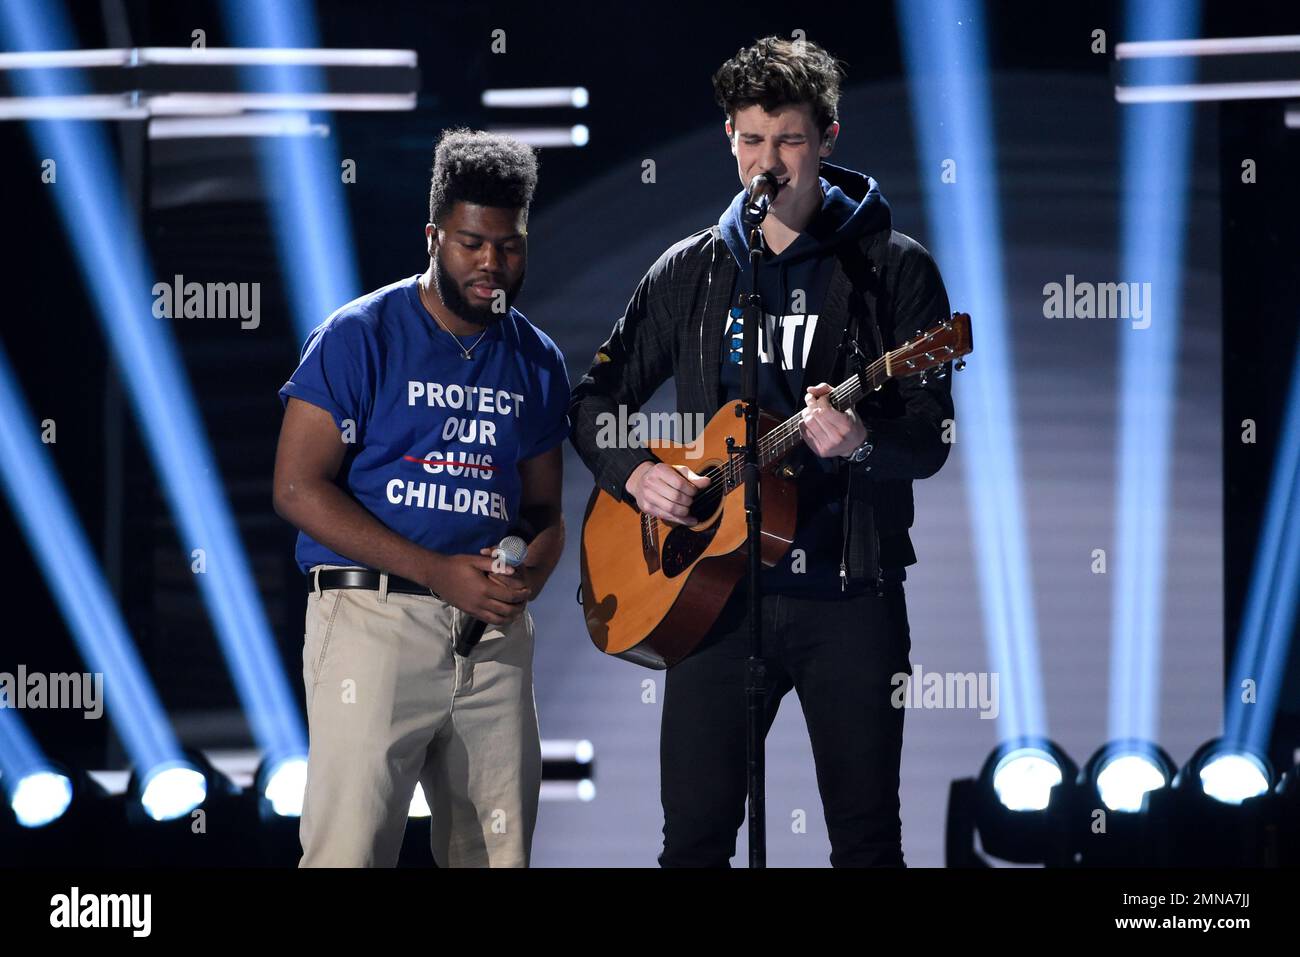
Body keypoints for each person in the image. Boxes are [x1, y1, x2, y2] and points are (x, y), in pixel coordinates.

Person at [569, 37, 955, 867]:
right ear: (729, 141)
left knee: (864, 839)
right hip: (713, 599)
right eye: (750, 139)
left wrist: (861, 445)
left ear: (827, 138)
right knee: (696, 841)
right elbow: (592, 403)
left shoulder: (892, 269)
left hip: (848, 594)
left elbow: (929, 439)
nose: (767, 161)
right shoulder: (693, 272)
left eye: (787, 139)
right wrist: (636, 473)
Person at [273, 129, 569, 867]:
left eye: (509, 246)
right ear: (433, 235)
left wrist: (530, 570)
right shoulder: (357, 335)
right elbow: (295, 487)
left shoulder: (535, 359)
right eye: (472, 243)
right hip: (373, 621)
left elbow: (545, 513)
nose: (492, 264)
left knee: (496, 856)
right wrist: (436, 571)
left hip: (493, 639)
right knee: (349, 853)